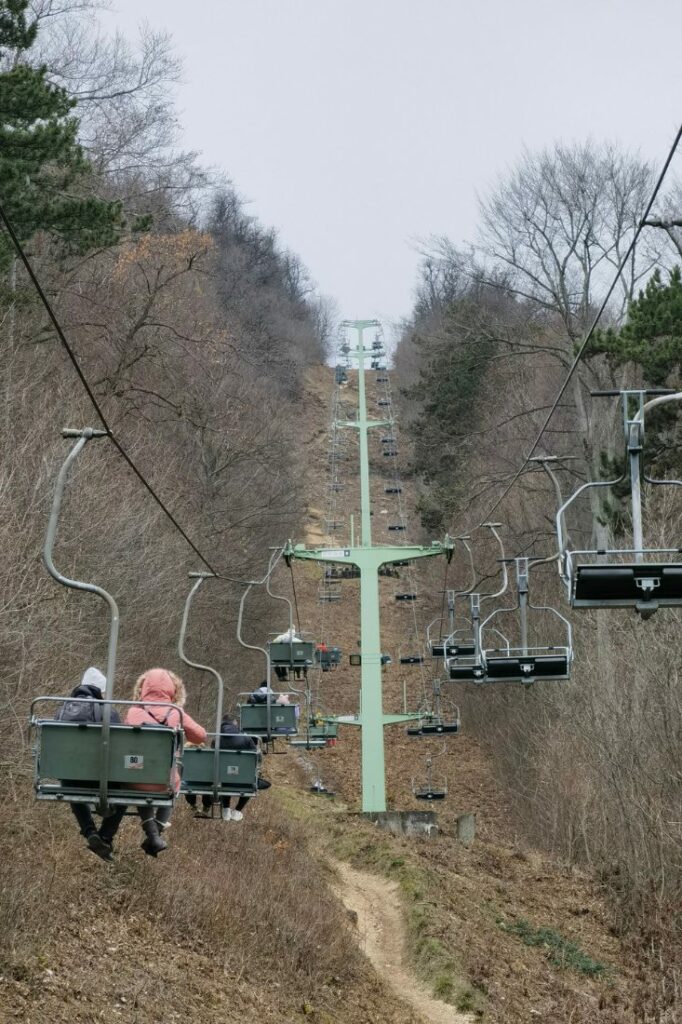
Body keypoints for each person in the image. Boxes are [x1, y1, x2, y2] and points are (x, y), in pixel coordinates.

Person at [126, 668, 207, 856]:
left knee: (142, 780)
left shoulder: (133, 712)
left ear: (143, 688)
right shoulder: (176, 714)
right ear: (174, 690)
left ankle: (153, 836)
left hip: (135, 775)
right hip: (166, 779)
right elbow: (200, 736)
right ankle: (156, 834)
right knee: (171, 781)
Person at [56, 666, 126, 862]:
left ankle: (89, 831)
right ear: (101, 690)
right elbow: (121, 743)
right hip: (101, 777)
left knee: (68, 781)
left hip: (71, 779)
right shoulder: (107, 711)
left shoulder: (62, 709)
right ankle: (105, 835)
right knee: (125, 788)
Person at [186, 716, 258, 822]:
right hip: (243, 779)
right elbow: (255, 757)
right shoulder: (246, 738)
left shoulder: (217, 740)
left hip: (223, 779)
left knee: (225, 775)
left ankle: (226, 808)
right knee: (250, 778)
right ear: (235, 724)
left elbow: (212, 760)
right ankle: (237, 810)